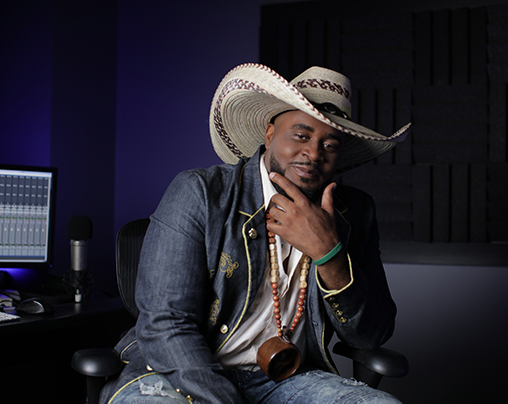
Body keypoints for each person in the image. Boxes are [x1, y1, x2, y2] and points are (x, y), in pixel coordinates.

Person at [101, 63, 410, 404]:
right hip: (179, 374)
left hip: (286, 381)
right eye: (301, 135)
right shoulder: (200, 193)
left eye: (330, 144)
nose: (313, 154)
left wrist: (328, 253)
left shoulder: (355, 211)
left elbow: (371, 335)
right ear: (269, 133)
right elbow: (165, 324)